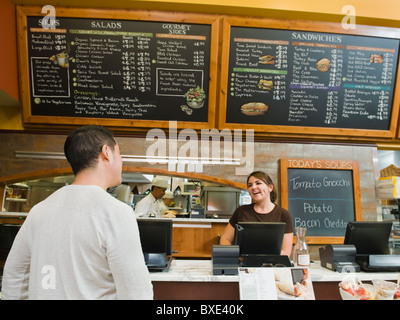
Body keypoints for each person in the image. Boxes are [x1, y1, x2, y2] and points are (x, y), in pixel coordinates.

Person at [2, 125, 153, 300]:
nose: (121, 161)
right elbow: (136, 292)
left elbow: (15, 274)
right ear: (106, 152)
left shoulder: (39, 211)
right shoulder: (117, 213)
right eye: (119, 154)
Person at [219, 171, 294, 257]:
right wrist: (233, 256)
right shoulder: (241, 211)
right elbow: (225, 238)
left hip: (271, 266)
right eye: (250, 185)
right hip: (243, 266)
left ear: (270, 187)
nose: (253, 187)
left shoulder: (284, 215)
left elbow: (286, 252)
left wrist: (261, 258)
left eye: (258, 183)